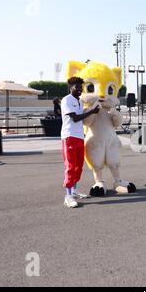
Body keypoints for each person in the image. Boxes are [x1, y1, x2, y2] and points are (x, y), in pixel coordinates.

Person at [61, 77, 100, 208]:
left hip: (79, 136)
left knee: (79, 166)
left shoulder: (79, 101)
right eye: (77, 87)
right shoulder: (66, 100)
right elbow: (75, 118)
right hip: (69, 136)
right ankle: (68, 196)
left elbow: (81, 119)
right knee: (71, 166)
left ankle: (74, 191)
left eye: (80, 88)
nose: (79, 90)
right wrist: (91, 112)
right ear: (70, 87)